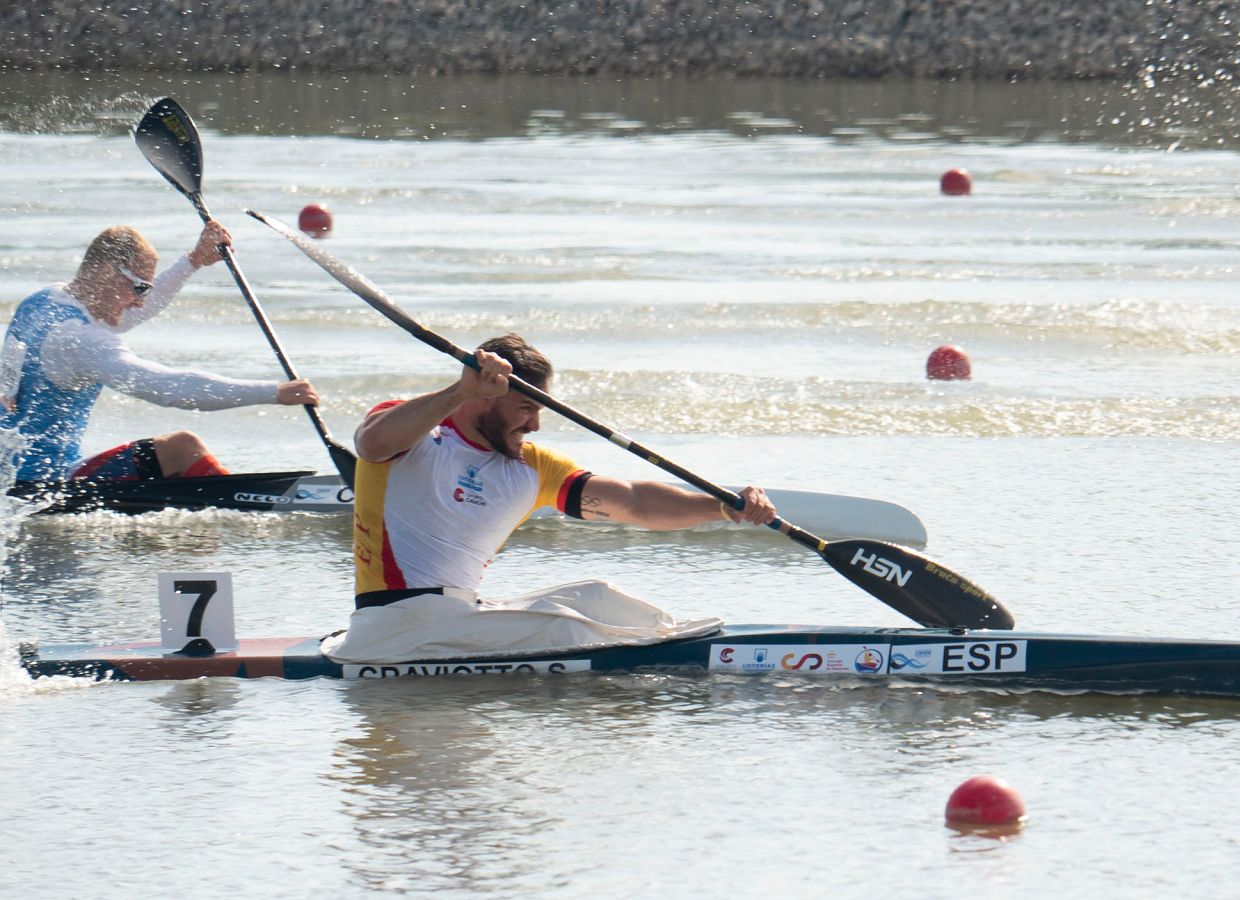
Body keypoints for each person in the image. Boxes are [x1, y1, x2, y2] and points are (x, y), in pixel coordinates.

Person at [322, 333, 778, 663]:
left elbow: (635, 502)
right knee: (563, 627)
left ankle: (687, 649)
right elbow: (372, 445)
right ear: (485, 396)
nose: (535, 425)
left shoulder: (531, 466)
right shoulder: (417, 431)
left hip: (459, 616)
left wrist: (721, 506)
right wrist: (461, 388)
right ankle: (672, 661)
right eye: (526, 409)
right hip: (391, 627)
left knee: (598, 596)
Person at [0, 222, 318, 482]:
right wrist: (275, 392)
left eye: (146, 290)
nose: (140, 301)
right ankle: (246, 511)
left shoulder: (43, 302)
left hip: (9, 474)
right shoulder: (82, 341)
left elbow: (130, 312)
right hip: (45, 487)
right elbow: (170, 388)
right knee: (183, 449)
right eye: (139, 287)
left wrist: (193, 261)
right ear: (105, 272)